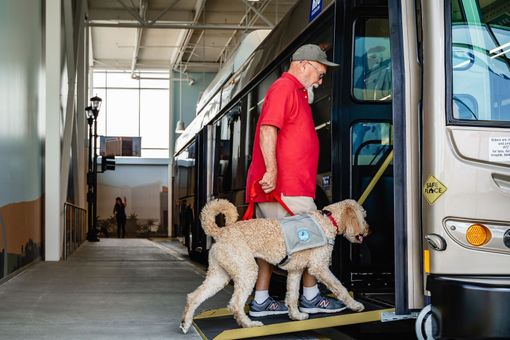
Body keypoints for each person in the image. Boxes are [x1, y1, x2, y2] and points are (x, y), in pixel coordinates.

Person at [246, 44, 345, 317]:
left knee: (269, 244)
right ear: (303, 64)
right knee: (316, 240)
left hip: (288, 186)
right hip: (285, 188)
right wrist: (273, 171)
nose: (320, 80)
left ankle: (261, 301)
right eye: (320, 73)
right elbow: (268, 129)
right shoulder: (285, 88)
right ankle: (311, 297)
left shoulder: (298, 93)